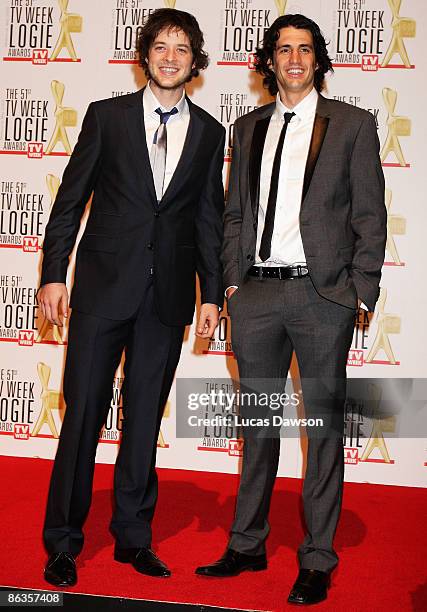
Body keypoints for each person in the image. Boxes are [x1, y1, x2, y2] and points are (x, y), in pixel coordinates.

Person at [195, 13, 386, 606]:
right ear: (270, 62)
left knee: (323, 430)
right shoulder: (246, 127)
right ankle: (247, 544)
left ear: (318, 59)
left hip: (322, 296)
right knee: (257, 426)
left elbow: (369, 216)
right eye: (284, 50)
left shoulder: (353, 125)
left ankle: (318, 557)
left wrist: (360, 291)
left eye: (305, 50)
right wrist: (231, 284)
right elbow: (233, 215)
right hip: (255, 296)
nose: (295, 59)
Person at [40, 8, 225, 587]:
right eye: (161, 47)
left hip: (166, 301)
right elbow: (69, 202)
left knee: (144, 421)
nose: (171, 57)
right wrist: (52, 275)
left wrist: (212, 294)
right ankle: (64, 542)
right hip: (100, 294)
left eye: (183, 49)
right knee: (82, 419)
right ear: (144, 55)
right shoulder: (107, 117)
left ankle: (133, 538)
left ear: (195, 62)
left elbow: (207, 222)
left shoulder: (209, 133)